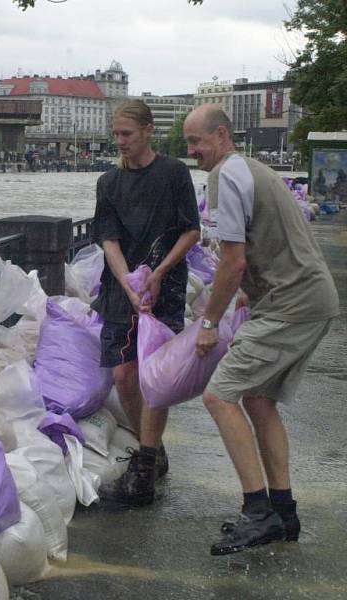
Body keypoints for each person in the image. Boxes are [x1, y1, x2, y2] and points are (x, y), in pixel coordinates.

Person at [184, 105, 339, 555]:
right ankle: (283, 511)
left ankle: (257, 513)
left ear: (222, 135)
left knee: (220, 394)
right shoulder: (252, 169)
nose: (192, 151)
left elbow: (233, 260)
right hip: (307, 298)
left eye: (197, 142)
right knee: (257, 398)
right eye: (189, 143)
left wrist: (209, 322)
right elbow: (270, 240)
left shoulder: (225, 177)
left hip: (291, 305)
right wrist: (253, 289)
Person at [91, 99, 201, 505]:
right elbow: (109, 240)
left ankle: (145, 465)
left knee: (155, 375)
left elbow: (192, 231)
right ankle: (149, 446)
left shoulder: (172, 174)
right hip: (123, 288)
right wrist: (128, 282)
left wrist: (157, 274)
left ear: (148, 130)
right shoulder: (108, 183)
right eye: (116, 134)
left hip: (165, 285)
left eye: (127, 134)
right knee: (124, 376)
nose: (120, 141)